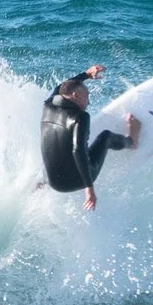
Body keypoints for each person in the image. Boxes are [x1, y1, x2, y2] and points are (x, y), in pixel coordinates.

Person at [41, 66, 140, 210]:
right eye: (87, 97)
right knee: (106, 136)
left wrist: (86, 74)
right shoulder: (80, 116)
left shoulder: (48, 104)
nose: (88, 103)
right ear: (75, 95)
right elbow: (78, 150)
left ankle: (40, 183)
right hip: (75, 182)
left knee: (55, 147)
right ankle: (132, 141)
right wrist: (89, 188)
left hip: (51, 180)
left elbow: (60, 88)